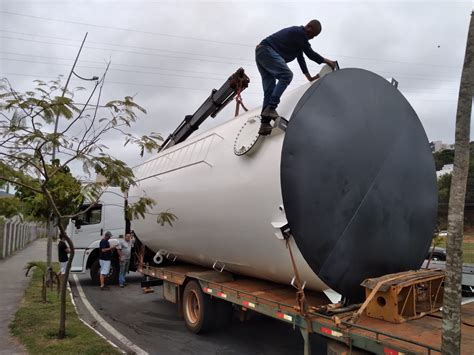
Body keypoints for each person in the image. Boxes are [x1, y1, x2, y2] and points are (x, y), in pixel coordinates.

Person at [255, 20, 336, 135]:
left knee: (270, 90)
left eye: (314, 37)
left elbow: (301, 59)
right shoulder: (299, 32)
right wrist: (327, 61)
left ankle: (264, 124)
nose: (311, 38)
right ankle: (271, 108)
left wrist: (309, 77)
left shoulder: (298, 41)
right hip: (266, 50)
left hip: (261, 53)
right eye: (311, 35)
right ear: (308, 27)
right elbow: (310, 54)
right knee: (286, 75)